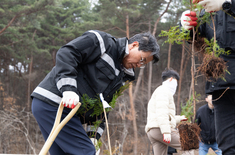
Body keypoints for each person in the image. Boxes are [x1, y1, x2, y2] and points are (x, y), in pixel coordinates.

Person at [31, 30, 160, 155]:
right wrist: (68, 89)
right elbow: (67, 53)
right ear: (134, 45)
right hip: (53, 103)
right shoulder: (102, 41)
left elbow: (102, 110)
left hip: (67, 113)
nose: (139, 65)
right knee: (85, 152)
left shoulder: (122, 76)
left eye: (143, 64)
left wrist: (93, 137)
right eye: (142, 59)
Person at [181, 0, 235, 154]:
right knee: (229, 146)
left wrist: (228, 3)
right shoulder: (210, 0)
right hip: (220, 86)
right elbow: (199, 34)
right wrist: (186, 25)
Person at [145, 68, 187, 155]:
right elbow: (162, 112)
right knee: (189, 145)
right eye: (176, 83)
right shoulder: (164, 91)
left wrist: (179, 118)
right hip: (160, 129)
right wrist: (166, 132)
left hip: (153, 131)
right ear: (171, 79)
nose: (176, 86)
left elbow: (163, 116)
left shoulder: (159, 91)